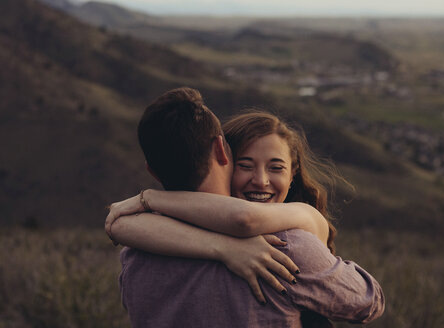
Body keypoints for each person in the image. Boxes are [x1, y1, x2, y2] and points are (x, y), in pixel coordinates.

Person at [107, 87, 384, 327]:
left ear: (152, 172)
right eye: (246, 165)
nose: (261, 181)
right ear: (221, 149)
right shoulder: (283, 249)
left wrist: (151, 198)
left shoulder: (137, 255)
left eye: (275, 167)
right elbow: (368, 302)